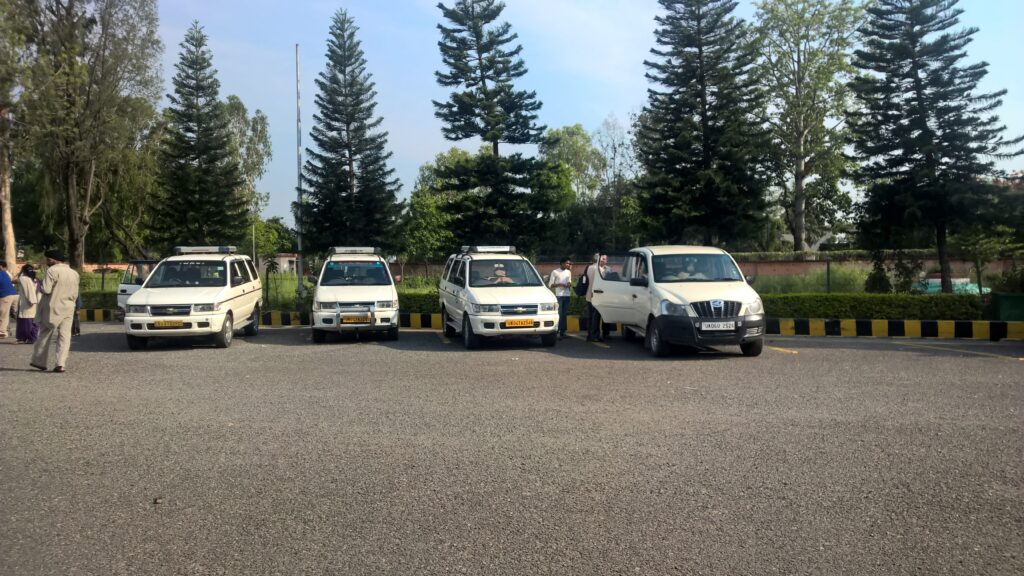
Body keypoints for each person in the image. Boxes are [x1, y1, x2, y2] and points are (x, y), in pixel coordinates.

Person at [30, 250, 80, 373]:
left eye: (47, 259)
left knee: (45, 334)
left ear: (52, 260)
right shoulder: (74, 273)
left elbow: (46, 290)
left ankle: (39, 362)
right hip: (69, 307)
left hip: (52, 306)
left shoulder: (52, 271)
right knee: (64, 336)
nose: (46, 262)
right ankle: (61, 364)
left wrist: (40, 284)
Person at [16, 264, 41, 344]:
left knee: (26, 322)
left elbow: (13, 280)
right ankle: (29, 337)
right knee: (33, 322)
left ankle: (29, 338)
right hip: (36, 302)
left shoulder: (23, 278)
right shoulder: (35, 279)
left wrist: (19, 273)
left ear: (23, 271)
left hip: (27, 302)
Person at [585, 253, 608, 342]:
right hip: (597, 295)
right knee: (596, 317)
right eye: (602, 259)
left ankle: (590, 335)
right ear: (599, 259)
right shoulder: (600, 269)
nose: (603, 260)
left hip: (589, 294)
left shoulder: (589, 267)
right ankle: (595, 336)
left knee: (590, 316)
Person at [548, 257, 572, 339]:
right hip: (559, 296)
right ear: (562, 263)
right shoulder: (555, 272)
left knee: (564, 314)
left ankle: (563, 332)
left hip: (567, 295)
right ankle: (557, 332)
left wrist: (569, 284)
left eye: (569, 263)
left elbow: (569, 281)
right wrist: (560, 284)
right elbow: (550, 285)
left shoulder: (568, 272)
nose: (568, 265)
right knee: (559, 314)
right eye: (567, 263)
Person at [0, 260, 17, 338]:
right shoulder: (6, 273)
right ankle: (6, 330)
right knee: (7, 314)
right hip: (12, 294)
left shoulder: (2, 274)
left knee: (3, 314)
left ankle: (2, 332)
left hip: (6, 295)